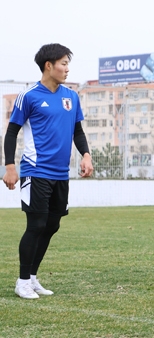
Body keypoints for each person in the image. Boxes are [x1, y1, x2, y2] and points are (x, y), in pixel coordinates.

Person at [2, 44, 94, 299]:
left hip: (60, 174)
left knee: (52, 225)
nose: (67, 69)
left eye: (68, 64)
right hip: (35, 170)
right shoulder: (29, 95)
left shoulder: (71, 96)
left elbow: (77, 131)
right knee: (36, 224)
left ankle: (32, 278)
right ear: (48, 65)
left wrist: (85, 155)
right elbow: (11, 132)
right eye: (63, 63)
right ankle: (21, 281)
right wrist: (10, 166)